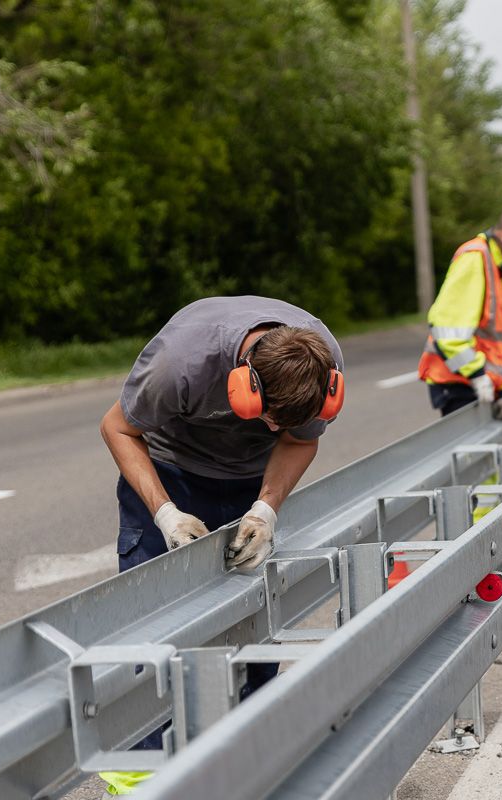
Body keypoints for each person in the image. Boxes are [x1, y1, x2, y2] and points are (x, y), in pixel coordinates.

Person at [97, 296, 344, 795]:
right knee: (152, 626)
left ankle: (250, 765)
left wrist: (265, 509)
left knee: (254, 622)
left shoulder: (324, 366)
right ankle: (138, 779)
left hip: (250, 482)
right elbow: (118, 428)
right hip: (169, 471)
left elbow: (298, 440)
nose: (272, 427)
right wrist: (164, 513)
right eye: (268, 415)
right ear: (245, 383)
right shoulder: (181, 361)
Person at [418, 204, 502, 420]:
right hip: (459, 382)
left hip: (478, 385)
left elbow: (495, 341)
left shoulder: (497, 268)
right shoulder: (475, 258)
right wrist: (477, 376)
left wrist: (501, 389)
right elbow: (447, 331)